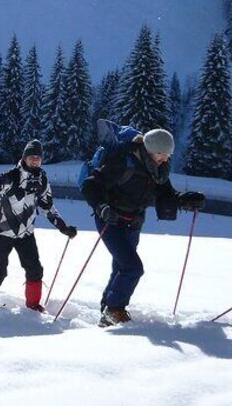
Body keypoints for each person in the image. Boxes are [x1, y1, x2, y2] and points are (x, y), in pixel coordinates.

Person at [81, 128, 204, 326]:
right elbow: (90, 185)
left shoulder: (158, 169)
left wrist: (185, 201)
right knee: (133, 268)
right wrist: (102, 207)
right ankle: (114, 309)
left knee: (122, 267)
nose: (165, 159)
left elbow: (166, 195)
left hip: (133, 223)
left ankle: (107, 308)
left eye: (168, 155)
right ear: (149, 149)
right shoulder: (123, 161)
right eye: (161, 154)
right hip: (110, 221)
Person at [0, 139, 77, 312]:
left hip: (26, 234)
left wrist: (62, 226)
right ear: (24, 158)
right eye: (31, 157)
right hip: (2, 232)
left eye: (38, 157)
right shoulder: (9, 177)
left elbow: (47, 206)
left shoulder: (42, 180)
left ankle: (33, 305)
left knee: (35, 269)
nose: (35, 160)